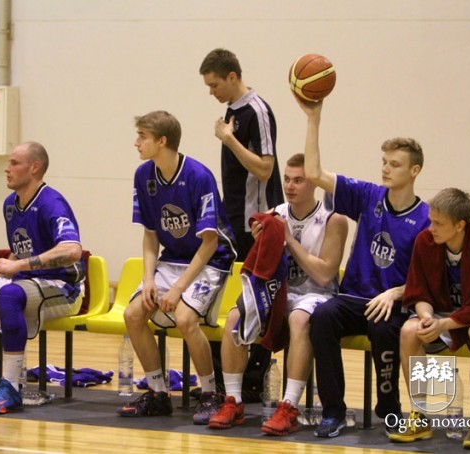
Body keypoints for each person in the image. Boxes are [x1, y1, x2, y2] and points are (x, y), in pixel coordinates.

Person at [298, 98, 430, 438]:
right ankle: (334, 412)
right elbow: (314, 174)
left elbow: (429, 279)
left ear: (414, 171)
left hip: (395, 304)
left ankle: (390, 410)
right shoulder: (368, 196)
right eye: (384, 162)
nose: (386, 169)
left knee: (383, 328)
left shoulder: (427, 219)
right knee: (322, 317)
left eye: (395, 164)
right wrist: (313, 117)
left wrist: (395, 292)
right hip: (355, 297)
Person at [208, 153, 348, 435]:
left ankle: (289, 407)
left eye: (298, 180)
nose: (290, 186)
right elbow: (262, 267)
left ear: (314, 183)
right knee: (235, 317)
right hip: (279, 291)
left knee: (299, 319)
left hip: (317, 294)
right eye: (286, 179)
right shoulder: (275, 214)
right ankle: (233, 401)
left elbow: (324, 274)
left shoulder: (334, 220)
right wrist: (262, 241)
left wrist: (288, 240)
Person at [0, 141, 85, 414]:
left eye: (14, 163)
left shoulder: (52, 203)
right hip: (26, 282)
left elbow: (72, 250)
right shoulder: (10, 204)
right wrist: (12, 264)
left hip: (63, 287)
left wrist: (19, 264)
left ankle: (10, 387)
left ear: (34, 168)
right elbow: (25, 247)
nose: (6, 168)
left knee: (9, 295)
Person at [118, 111, 236, 425]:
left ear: (162, 141)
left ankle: (210, 393)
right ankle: (158, 393)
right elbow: (150, 234)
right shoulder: (143, 176)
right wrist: (148, 279)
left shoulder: (199, 176)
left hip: (211, 259)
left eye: (142, 136)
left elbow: (209, 242)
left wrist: (178, 288)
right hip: (173, 258)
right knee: (132, 314)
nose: (136, 143)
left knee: (185, 318)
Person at [390, 188, 470, 450]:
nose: (431, 228)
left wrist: (444, 324)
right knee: (410, 330)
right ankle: (419, 416)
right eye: (431, 221)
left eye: (438, 223)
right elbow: (418, 291)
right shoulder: (425, 241)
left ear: (459, 225)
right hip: (442, 314)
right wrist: (426, 317)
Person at [200, 48, 283, 402]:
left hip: (258, 224)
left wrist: (229, 139)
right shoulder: (232, 110)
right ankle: (226, 378)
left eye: (215, 85)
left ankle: (253, 378)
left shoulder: (258, 111)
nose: (211, 92)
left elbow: (265, 168)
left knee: (257, 299)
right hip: (234, 220)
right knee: (222, 296)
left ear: (232, 77)